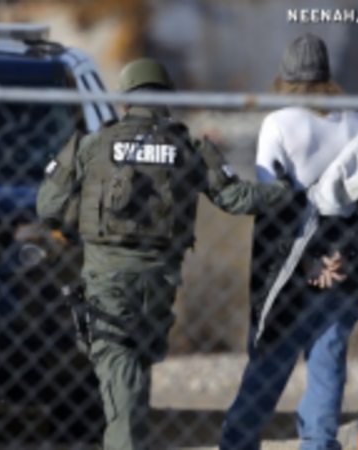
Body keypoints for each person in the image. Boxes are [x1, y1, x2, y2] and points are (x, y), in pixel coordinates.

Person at [35, 58, 295, 450]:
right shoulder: (187, 147)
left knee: (119, 370)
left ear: (125, 102)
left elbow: (48, 207)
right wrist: (287, 190)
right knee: (135, 371)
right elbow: (236, 198)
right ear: (166, 100)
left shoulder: (92, 144)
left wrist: (83, 217)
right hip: (159, 281)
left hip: (107, 278)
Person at [220, 33, 358, 450]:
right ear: (327, 74)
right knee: (328, 367)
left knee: (268, 365)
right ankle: (319, 444)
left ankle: (238, 443)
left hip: (287, 269)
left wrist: (307, 262)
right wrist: (341, 257)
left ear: (285, 76)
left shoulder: (279, 123)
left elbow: (274, 204)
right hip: (344, 267)